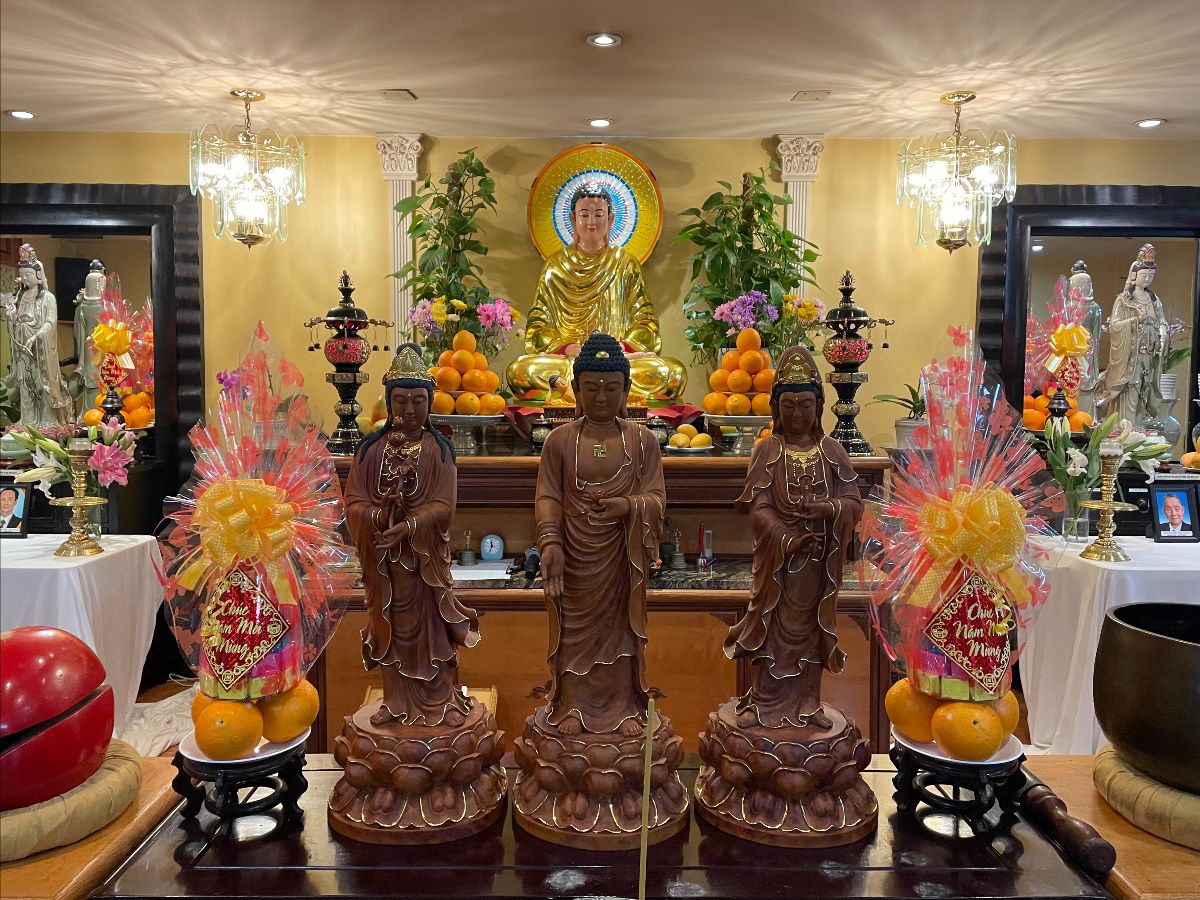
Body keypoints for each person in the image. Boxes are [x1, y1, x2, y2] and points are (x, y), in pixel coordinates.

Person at [723, 346, 864, 729]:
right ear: (776, 407)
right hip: (777, 569)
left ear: (818, 407)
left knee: (811, 633)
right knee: (771, 632)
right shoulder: (767, 450)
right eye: (789, 405)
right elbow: (759, 508)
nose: (797, 413)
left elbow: (853, 501)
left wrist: (830, 510)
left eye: (805, 405)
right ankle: (762, 703)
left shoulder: (832, 451)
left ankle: (808, 704)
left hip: (818, 569)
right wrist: (786, 540)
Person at [534, 332, 665, 736]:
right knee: (574, 633)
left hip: (622, 560)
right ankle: (571, 706)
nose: (602, 397)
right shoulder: (559, 441)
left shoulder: (642, 441)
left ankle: (624, 708)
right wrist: (551, 542)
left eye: (611, 388)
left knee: (621, 633)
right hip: (575, 557)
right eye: (591, 388)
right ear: (574, 389)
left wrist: (627, 506)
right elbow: (548, 497)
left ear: (627, 388)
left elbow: (657, 498)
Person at [344, 343, 481, 728]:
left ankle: (438, 701)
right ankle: (396, 700)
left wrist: (409, 525)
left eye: (418, 401)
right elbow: (353, 501)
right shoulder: (370, 451)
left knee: (430, 631)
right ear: (389, 402)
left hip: (423, 564)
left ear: (430, 402)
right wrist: (377, 517)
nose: (408, 410)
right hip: (385, 564)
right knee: (389, 627)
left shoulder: (439, 450)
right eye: (401, 401)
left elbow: (443, 507)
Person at [506, 184, 687, 402]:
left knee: (672, 374)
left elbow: (645, 320)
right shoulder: (555, 266)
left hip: (620, 362)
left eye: (599, 214)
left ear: (610, 219)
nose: (592, 222)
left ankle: (575, 392)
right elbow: (538, 325)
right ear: (573, 219)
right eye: (584, 214)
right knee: (521, 372)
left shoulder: (625, 263)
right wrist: (567, 348)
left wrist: (620, 347)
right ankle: (608, 391)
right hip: (569, 361)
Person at [1098, 243, 1169, 427]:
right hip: (1130, 359)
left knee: (1143, 392)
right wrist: (1134, 321)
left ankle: (1138, 430)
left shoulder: (1155, 300)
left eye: (1151, 276)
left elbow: (1162, 321)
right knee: (1131, 390)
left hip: (1148, 355)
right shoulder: (1123, 301)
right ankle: (1124, 430)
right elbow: (1115, 326)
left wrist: (1161, 330)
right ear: (1134, 275)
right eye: (1144, 275)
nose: (1147, 279)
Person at [2, 244, 71, 426]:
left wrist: (36, 336)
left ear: (38, 275)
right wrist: (10, 316)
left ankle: (48, 423)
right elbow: (15, 320)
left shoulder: (47, 298)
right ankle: (28, 421)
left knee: (43, 385)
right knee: (25, 385)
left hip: (41, 350)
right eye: (22, 274)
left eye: (28, 274)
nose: (24, 278)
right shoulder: (19, 297)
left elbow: (50, 322)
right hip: (22, 349)